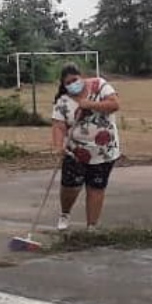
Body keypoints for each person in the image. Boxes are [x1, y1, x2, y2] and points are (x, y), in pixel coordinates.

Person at [50, 63, 121, 231]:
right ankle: (65, 213)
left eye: (74, 80)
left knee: (96, 187)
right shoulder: (63, 101)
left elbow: (114, 105)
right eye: (68, 83)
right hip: (75, 152)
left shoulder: (99, 86)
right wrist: (58, 146)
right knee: (70, 186)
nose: (72, 84)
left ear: (81, 77)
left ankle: (91, 227)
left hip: (104, 152)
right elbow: (58, 126)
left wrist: (90, 105)